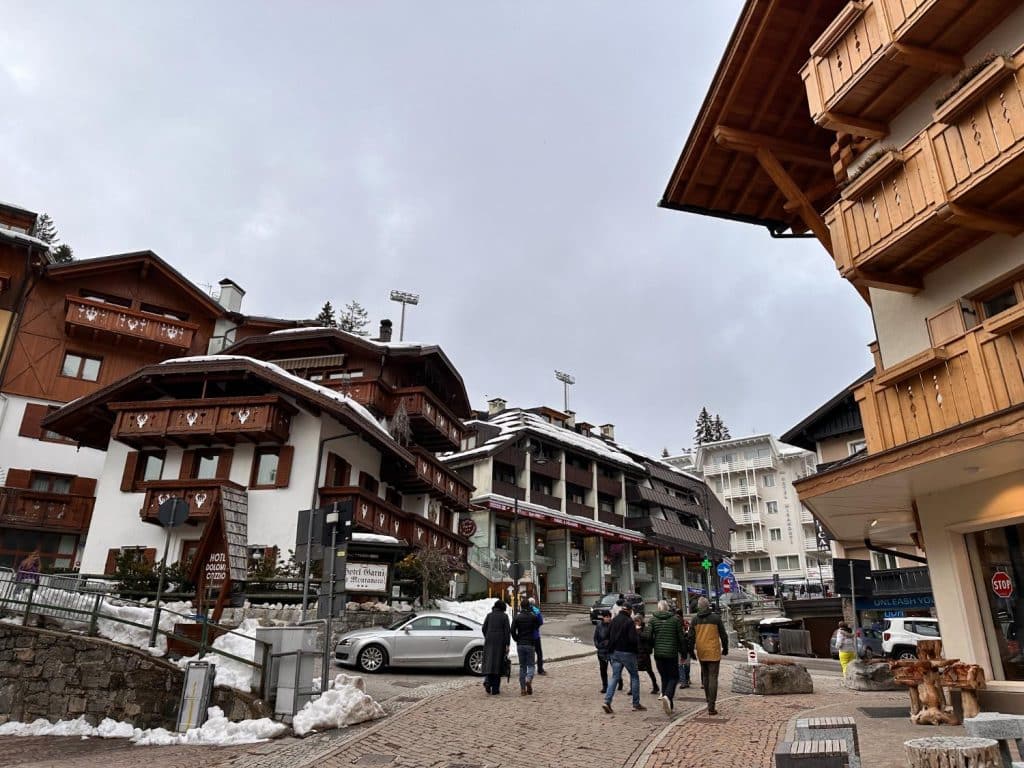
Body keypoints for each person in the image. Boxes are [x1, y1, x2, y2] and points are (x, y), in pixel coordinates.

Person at [602, 604, 646, 714]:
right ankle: (636, 703)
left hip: (615, 653)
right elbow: (632, 639)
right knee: (634, 676)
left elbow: (607, 636)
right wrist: (637, 637)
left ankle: (607, 701)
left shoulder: (614, 620)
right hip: (627, 653)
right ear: (630, 611)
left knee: (615, 677)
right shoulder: (629, 622)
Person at [688, 596, 728, 715]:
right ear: (708, 605)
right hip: (713, 650)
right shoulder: (716, 618)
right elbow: (723, 635)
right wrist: (725, 648)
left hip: (701, 651)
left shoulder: (695, 620)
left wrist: (691, 652)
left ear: (699, 607)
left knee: (705, 676)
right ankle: (711, 705)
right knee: (713, 677)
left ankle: (707, 699)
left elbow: (690, 637)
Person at [647, 600, 688, 714]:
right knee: (674, 677)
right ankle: (668, 696)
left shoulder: (653, 620)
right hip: (671, 653)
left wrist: (652, 646)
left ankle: (669, 704)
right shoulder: (675, 620)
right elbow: (681, 638)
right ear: (668, 608)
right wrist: (683, 653)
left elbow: (648, 636)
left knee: (664, 676)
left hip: (659, 653)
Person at [481, 599, 511, 695]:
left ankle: (487, 681)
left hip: (489, 641)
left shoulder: (489, 615)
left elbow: (484, 628)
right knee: (498, 664)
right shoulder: (504, 616)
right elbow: (507, 631)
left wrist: (488, 636)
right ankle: (495, 689)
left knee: (489, 662)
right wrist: (507, 644)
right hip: (500, 642)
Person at [511, 602, 541, 695]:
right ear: (529, 607)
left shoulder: (517, 617)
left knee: (522, 667)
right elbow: (538, 624)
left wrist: (516, 639)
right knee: (531, 665)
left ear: (521, 607)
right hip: (530, 643)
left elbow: (512, 630)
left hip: (520, 644)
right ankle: (528, 679)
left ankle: (523, 689)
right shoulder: (533, 617)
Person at [593, 609, 623, 693]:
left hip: (611, 651)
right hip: (601, 651)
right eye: (606, 617)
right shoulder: (599, 625)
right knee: (603, 669)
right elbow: (595, 637)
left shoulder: (613, 625)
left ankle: (620, 681)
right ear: (603, 617)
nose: (608, 618)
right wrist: (597, 645)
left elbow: (616, 638)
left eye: (609, 617)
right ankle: (605, 686)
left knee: (616, 669)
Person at [635, 613, 659, 695]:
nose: (636, 623)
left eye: (637, 621)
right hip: (637, 652)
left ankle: (655, 685)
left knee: (649, 670)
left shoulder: (646, 628)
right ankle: (633, 688)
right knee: (634, 671)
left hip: (645, 652)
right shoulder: (634, 628)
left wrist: (638, 631)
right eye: (635, 621)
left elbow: (647, 637)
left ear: (641, 621)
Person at [528, 596, 546, 675]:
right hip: (535, 635)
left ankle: (527, 670)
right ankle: (540, 669)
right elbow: (541, 622)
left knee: (528, 653)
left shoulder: (524, 611)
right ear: (534, 603)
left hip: (526, 636)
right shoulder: (537, 611)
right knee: (539, 652)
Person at [676, 612, 693, 689]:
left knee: (685, 665)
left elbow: (690, 634)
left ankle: (686, 679)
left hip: (686, 647)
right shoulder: (675, 625)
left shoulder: (686, 624)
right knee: (681, 664)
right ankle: (684, 681)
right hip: (681, 647)